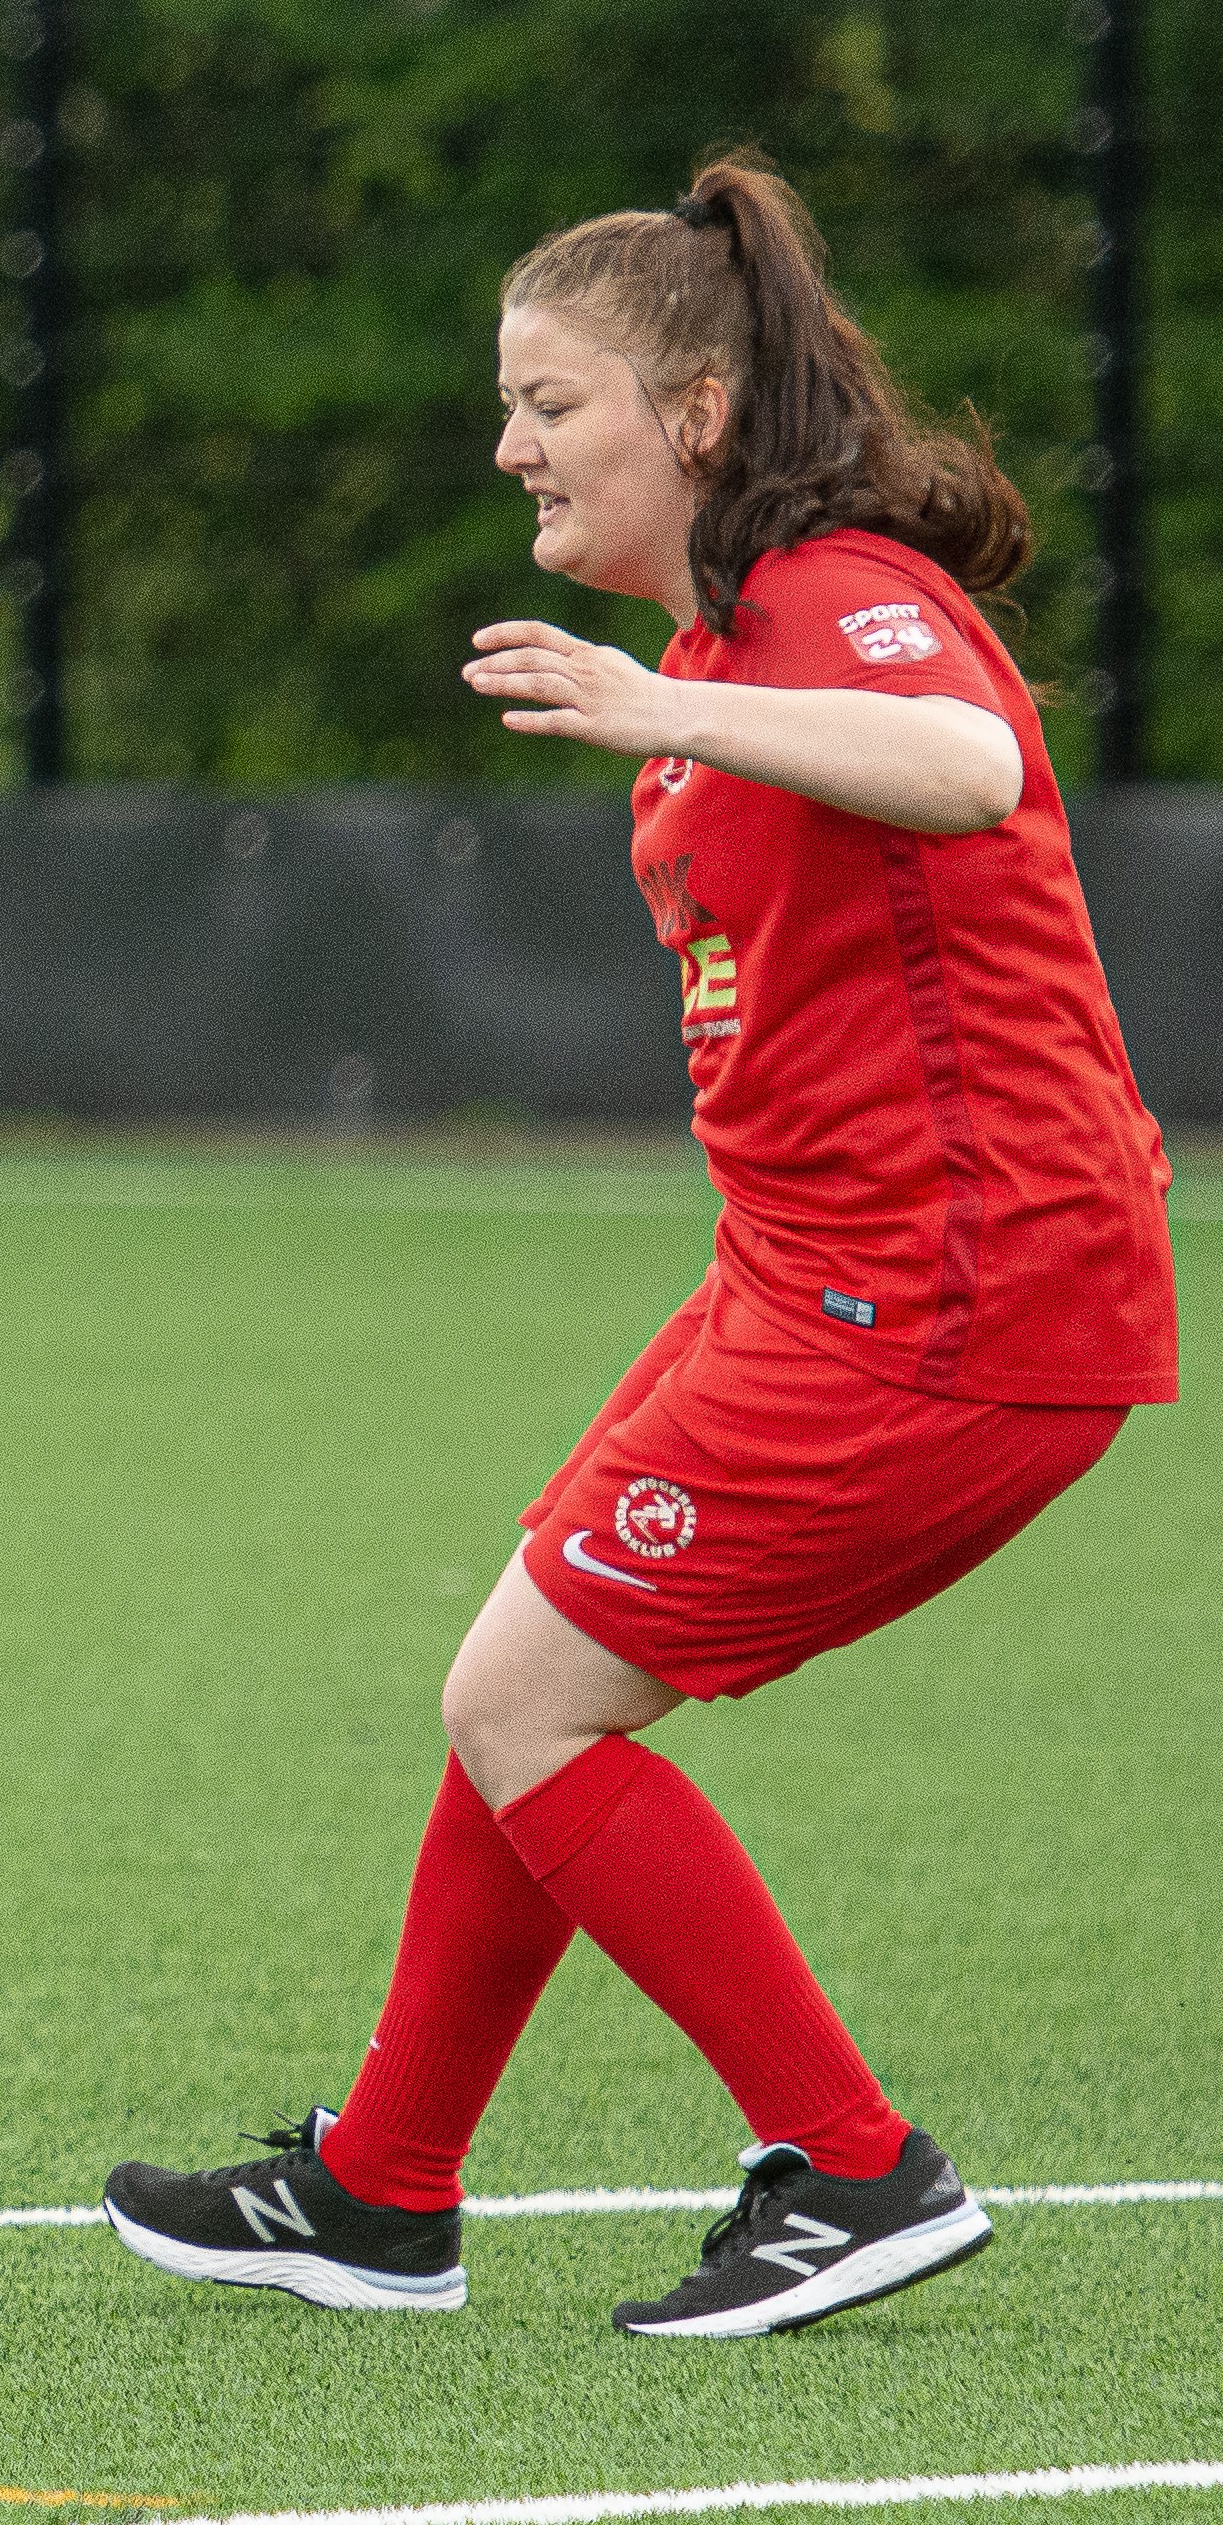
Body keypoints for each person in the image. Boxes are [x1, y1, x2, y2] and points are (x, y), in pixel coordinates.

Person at [102, 152, 1177, 2340]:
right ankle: (384, 2187)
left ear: (689, 411)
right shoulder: (714, 649)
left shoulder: (822, 598)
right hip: (812, 1286)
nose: (504, 444)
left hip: (953, 1312)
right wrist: (675, 702)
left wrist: (672, 708)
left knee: (521, 1695)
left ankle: (851, 2163)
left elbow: (967, 759)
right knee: (518, 1667)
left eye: (545, 398)